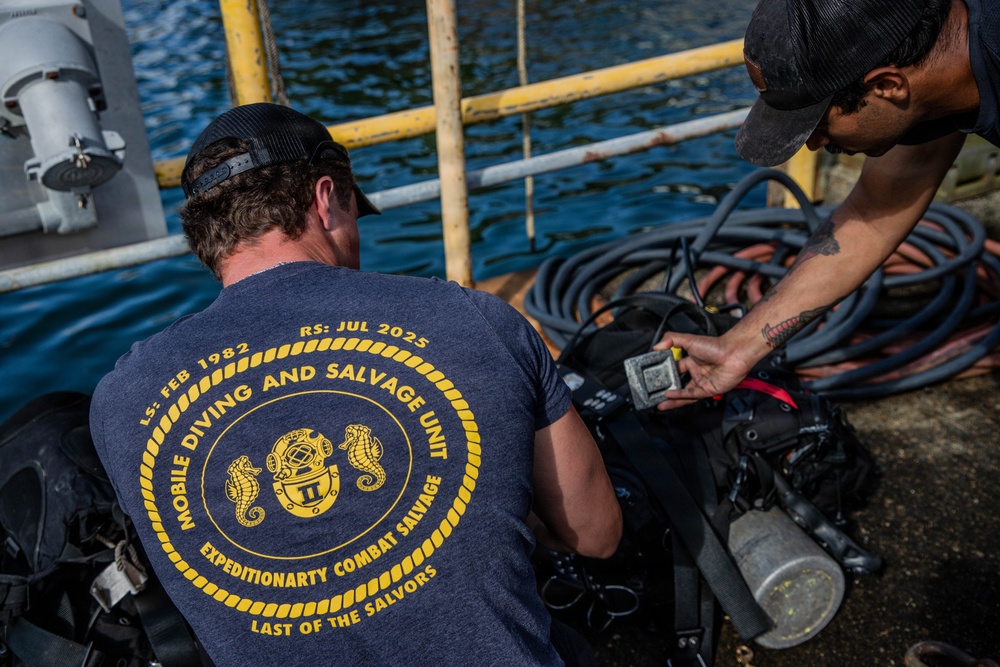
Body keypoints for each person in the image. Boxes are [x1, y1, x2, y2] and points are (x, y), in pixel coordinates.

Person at [89, 102, 622, 667]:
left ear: (209, 238)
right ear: (324, 199)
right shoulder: (472, 320)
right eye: (353, 212)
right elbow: (596, 534)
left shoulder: (121, 402)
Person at [655, 0, 997, 408]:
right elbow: (874, 213)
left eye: (818, 125)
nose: (814, 145)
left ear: (888, 86)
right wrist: (738, 346)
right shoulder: (934, 59)